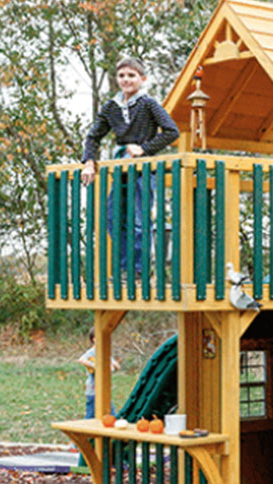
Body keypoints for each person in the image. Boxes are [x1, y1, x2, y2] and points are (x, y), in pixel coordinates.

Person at [80, 56, 180, 277]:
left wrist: (144, 148)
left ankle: (139, 269)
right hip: (121, 167)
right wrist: (88, 162)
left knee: (137, 219)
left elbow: (172, 132)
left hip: (143, 169)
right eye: (122, 75)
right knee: (113, 218)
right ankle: (128, 267)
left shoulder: (148, 104)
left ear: (142, 79)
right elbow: (93, 137)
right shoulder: (112, 107)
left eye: (131, 75)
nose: (126, 80)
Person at [78, 327, 120, 419]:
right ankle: (83, 431)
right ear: (94, 339)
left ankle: (111, 429)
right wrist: (95, 366)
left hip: (104, 391)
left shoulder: (105, 352)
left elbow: (116, 366)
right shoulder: (92, 352)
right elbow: (81, 359)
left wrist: (112, 364)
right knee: (90, 415)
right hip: (93, 390)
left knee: (111, 414)